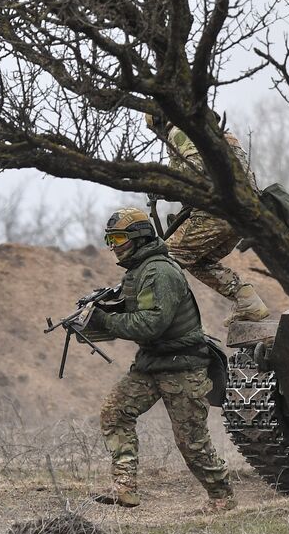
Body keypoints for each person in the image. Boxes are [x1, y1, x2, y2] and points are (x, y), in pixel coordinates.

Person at [86, 207, 235, 512]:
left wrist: (105, 321)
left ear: (138, 238)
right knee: (115, 413)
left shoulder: (160, 271)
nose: (113, 245)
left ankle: (222, 496)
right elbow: (138, 313)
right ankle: (124, 487)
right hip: (152, 363)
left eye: (118, 238)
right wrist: (103, 310)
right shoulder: (139, 271)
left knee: (191, 442)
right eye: (109, 239)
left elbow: (152, 323)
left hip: (183, 367)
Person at [148, 115, 270, 325]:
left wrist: (160, 182)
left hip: (218, 209)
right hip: (244, 212)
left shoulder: (180, 130)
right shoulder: (214, 132)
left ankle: (162, 320)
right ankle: (246, 299)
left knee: (164, 258)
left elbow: (195, 170)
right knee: (198, 260)